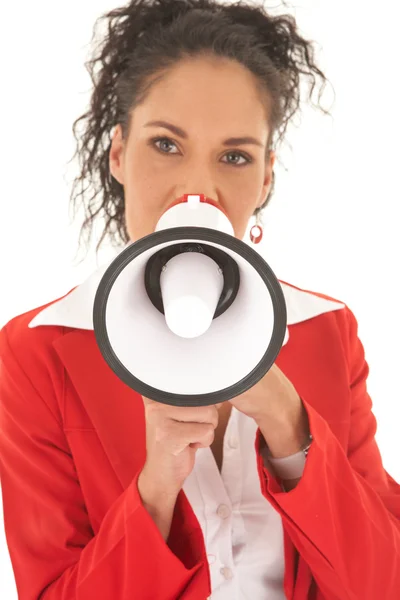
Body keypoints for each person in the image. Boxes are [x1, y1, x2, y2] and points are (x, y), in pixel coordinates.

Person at [1, 0, 399, 598]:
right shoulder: (38, 353)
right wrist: (155, 490)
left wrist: (290, 427)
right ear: (118, 154)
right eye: (165, 145)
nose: (198, 188)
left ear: (265, 179)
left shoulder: (327, 331)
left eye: (235, 157)